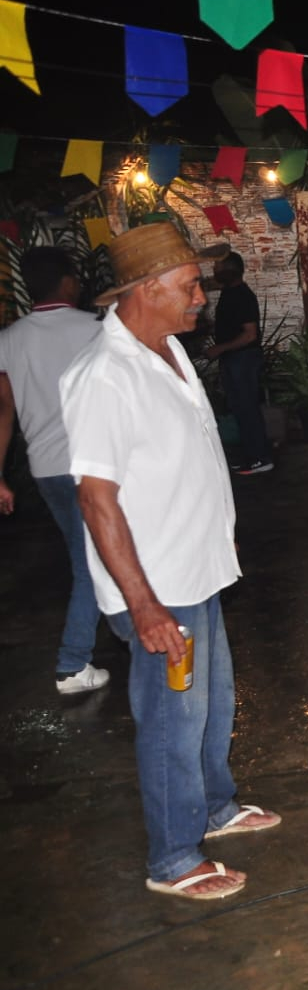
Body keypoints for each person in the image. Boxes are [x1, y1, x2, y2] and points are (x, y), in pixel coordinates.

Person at [60, 222, 280, 901]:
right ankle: (174, 858)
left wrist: (219, 533)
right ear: (146, 289)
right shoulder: (104, 374)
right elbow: (96, 500)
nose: (200, 298)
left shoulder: (171, 351)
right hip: (158, 588)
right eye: (188, 286)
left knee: (210, 704)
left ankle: (214, 807)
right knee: (170, 721)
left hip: (198, 568)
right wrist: (143, 605)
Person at [0, 248, 114, 696]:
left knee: (91, 556)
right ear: (68, 282)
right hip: (97, 466)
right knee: (95, 561)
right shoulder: (96, 329)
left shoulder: (10, 339)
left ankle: (129, 632)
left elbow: (4, 410)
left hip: (47, 469)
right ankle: (72, 662)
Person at [205, 251, 273, 475]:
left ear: (231, 270)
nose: (214, 271)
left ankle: (260, 458)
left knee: (247, 408)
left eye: (218, 267)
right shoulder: (229, 294)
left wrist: (220, 348)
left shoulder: (242, 296)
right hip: (234, 359)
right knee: (240, 409)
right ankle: (253, 456)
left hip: (243, 359)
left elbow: (249, 335)